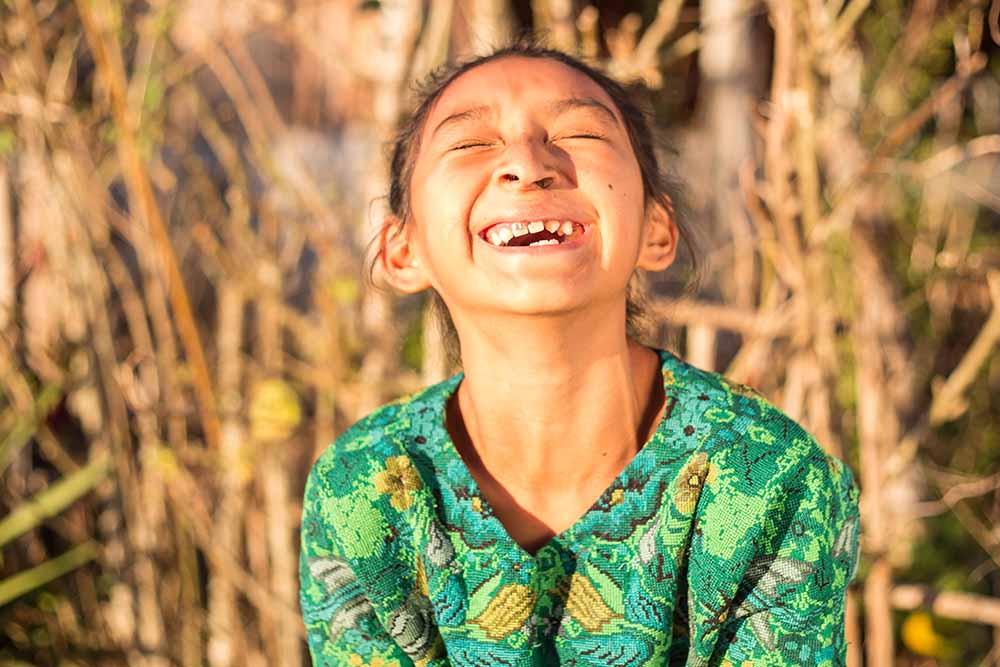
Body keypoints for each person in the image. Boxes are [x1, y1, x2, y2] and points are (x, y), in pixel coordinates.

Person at [298, 39, 860, 667]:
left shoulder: (766, 477)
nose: (527, 164)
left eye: (580, 134)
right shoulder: (365, 487)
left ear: (655, 229)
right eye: (468, 144)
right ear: (404, 252)